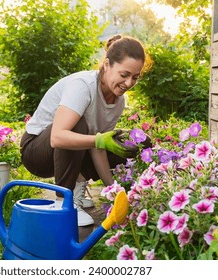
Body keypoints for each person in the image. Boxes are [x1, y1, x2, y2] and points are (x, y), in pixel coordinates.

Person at [20, 34, 151, 226]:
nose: (129, 83)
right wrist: (98, 140)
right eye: (124, 75)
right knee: (78, 125)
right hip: (37, 151)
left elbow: (97, 146)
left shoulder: (118, 101)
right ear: (107, 64)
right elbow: (57, 138)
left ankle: (77, 190)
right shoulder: (83, 86)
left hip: (66, 153)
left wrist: (114, 192)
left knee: (137, 141)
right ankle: (64, 201)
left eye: (135, 77)